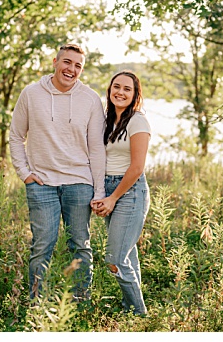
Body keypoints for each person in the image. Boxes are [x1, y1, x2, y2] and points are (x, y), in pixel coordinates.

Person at [9, 44, 107, 303]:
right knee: (42, 247)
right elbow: (16, 136)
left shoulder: (90, 99)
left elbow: (97, 147)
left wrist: (99, 190)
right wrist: (24, 173)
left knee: (81, 246)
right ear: (55, 62)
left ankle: (81, 301)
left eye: (78, 66)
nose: (71, 69)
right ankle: (36, 304)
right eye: (67, 62)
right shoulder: (30, 94)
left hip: (79, 183)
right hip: (42, 184)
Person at [91, 71, 151, 316]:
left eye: (128, 89)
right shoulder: (106, 120)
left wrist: (113, 197)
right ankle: (131, 308)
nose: (121, 92)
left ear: (135, 95)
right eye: (117, 86)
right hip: (108, 189)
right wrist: (101, 193)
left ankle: (139, 313)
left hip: (130, 192)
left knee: (115, 259)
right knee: (128, 255)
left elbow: (137, 167)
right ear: (109, 90)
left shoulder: (138, 121)